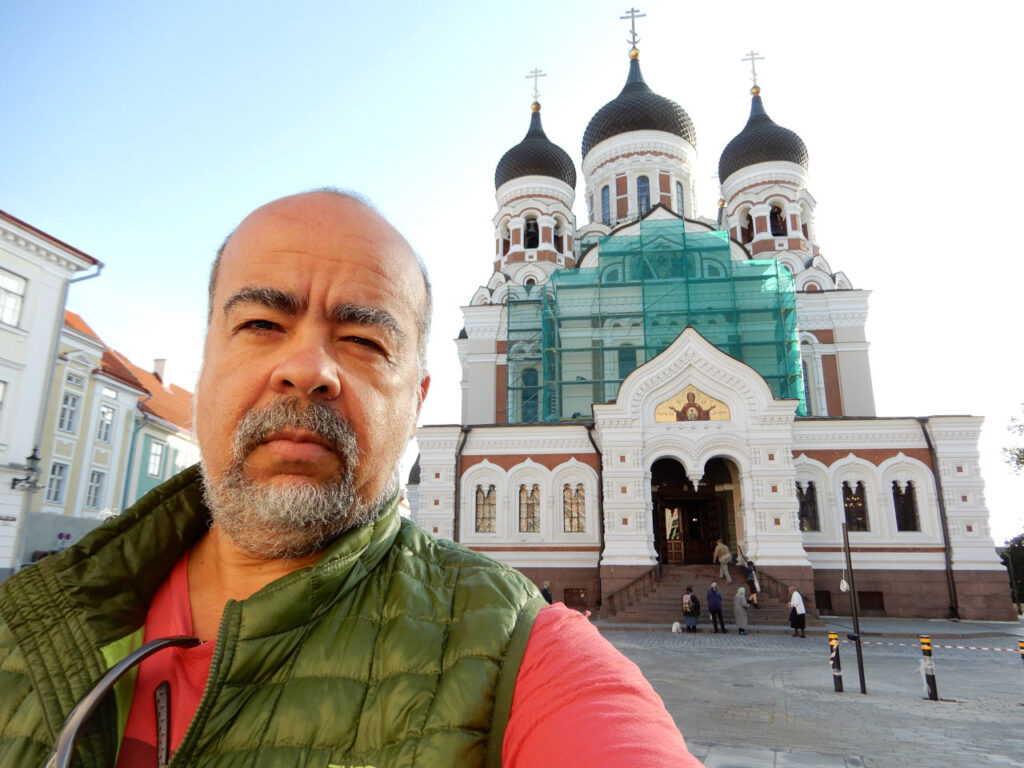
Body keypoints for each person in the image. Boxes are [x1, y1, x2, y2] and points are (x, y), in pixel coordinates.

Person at [0, 190, 703, 768]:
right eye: (261, 323)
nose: (309, 367)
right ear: (205, 359)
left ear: (418, 401)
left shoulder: (518, 654)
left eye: (365, 341)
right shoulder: (28, 624)